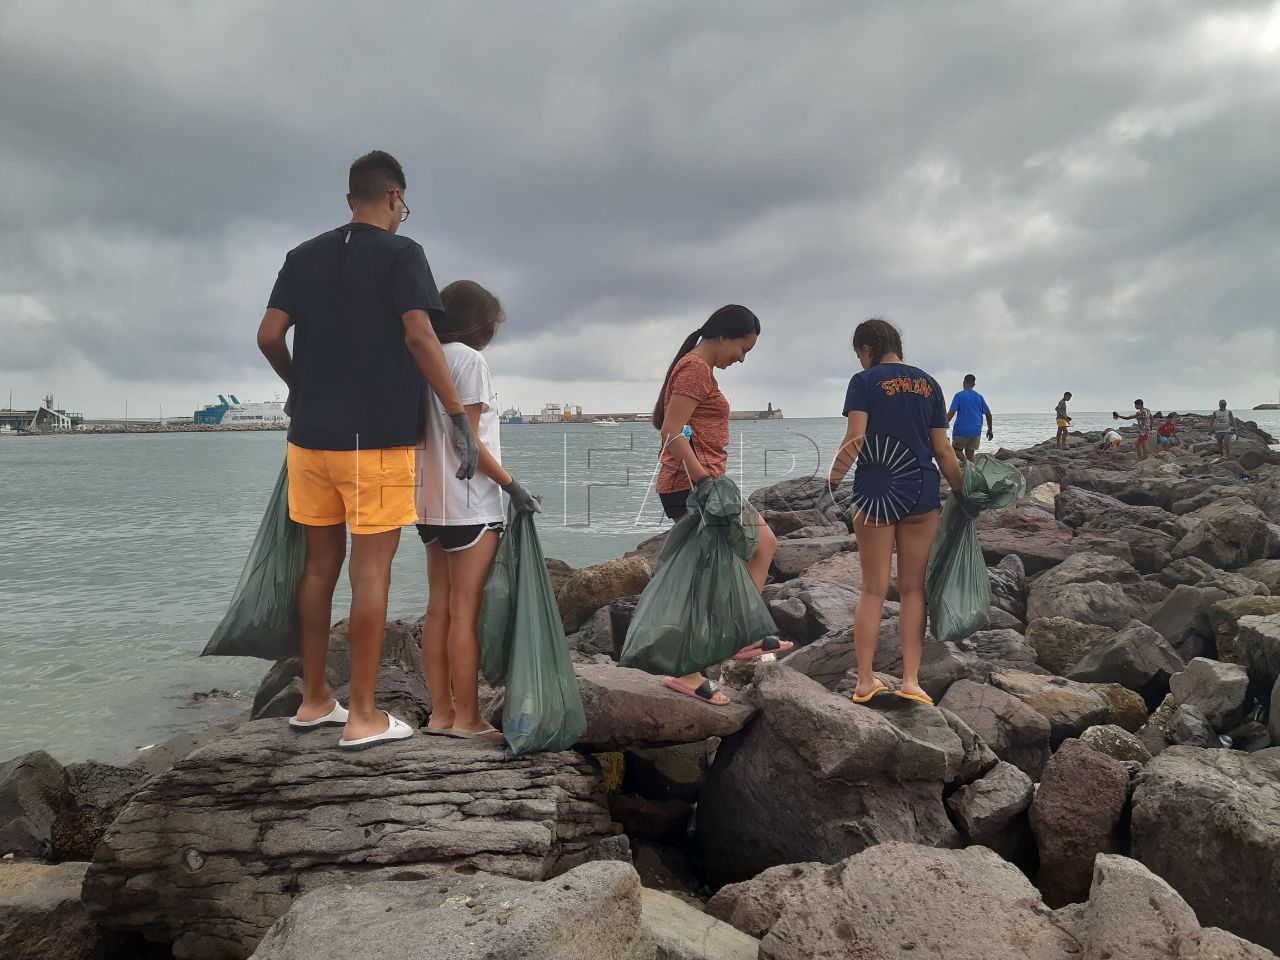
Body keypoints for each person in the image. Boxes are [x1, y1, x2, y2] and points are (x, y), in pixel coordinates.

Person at [257, 150, 480, 750]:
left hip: (309, 441)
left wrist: (297, 386)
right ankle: (361, 714)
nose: (404, 214)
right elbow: (418, 333)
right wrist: (457, 414)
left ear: (350, 197)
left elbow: (269, 335)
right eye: (405, 205)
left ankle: (312, 700)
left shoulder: (300, 257)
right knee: (371, 570)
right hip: (376, 442)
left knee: (318, 569)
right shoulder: (404, 255)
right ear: (393, 198)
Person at [417, 281, 540, 743]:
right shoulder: (470, 360)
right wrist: (512, 485)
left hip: (426, 501)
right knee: (465, 613)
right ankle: (467, 718)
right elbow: (466, 439)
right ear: (478, 322)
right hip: (470, 502)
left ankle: (440, 714)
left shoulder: (421, 354)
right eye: (492, 324)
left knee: (438, 610)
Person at [825, 318, 965, 707]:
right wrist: (962, 492)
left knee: (872, 589)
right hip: (921, 492)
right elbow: (943, 450)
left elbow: (855, 439)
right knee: (912, 590)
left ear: (867, 349)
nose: (860, 362)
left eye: (859, 355)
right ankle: (910, 681)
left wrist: (831, 483)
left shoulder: (864, 382)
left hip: (875, 494)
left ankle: (866, 681)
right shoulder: (929, 384)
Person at [652, 305, 786, 705]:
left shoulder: (699, 369)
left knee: (750, 553)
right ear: (724, 336)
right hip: (692, 487)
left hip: (700, 485)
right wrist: (704, 483)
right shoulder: (694, 368)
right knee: (755, 549)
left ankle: (734, 639)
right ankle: (694, 668)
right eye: (743, 349)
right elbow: (671, 431)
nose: (742, 358)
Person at [947, 374, 993, 463]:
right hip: (976, 431)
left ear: (963, 383)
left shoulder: (959, 396)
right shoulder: (979, 397)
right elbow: (988, 413)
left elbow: (951, 412)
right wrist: (990, 429)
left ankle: (966, 463)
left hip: (961, 430)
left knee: (955, 450)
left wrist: (942, 425)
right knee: (970, 453)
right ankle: (973, 472)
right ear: (974, 385)